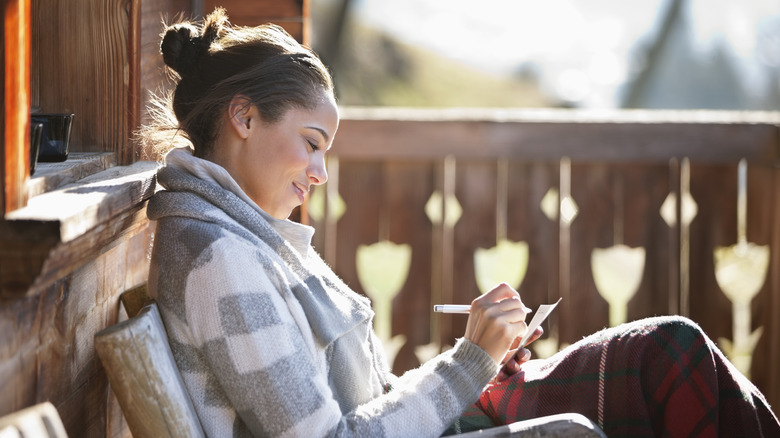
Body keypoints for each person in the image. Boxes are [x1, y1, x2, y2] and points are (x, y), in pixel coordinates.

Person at [142, 8, 780, 438]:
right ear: (245, 117)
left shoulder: (241, 234)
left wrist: (475, 361)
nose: (320, 173)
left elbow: (364, 399)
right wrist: (468, 362)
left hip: (434, 417)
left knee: (667, 350)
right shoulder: (217, 258)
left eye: (324, 151)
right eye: (311, 143)